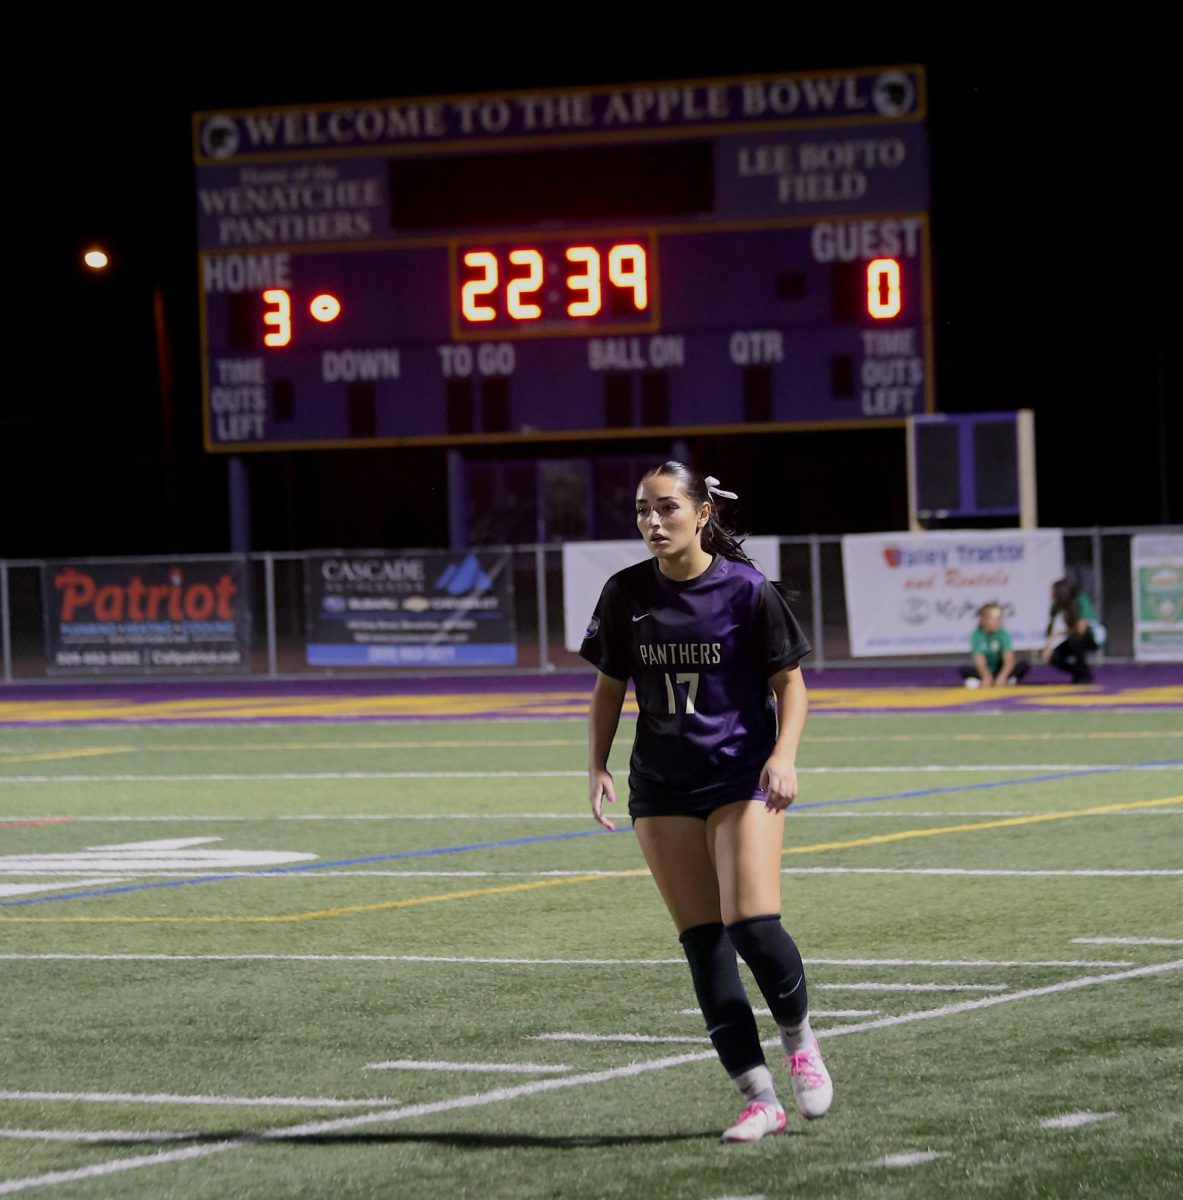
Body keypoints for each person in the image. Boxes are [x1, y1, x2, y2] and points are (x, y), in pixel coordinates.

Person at [580, 461, 832, 1144]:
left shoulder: (746, 591)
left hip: (738, 774)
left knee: (750, 924)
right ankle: (757, 1098)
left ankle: (799, 1037)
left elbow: (792, 684)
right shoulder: (624, 592)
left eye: (665, 509)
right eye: (641, 511)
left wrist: (783, 756)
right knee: (702, 944)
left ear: (700, 514)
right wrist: (597, 764)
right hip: (660, 785)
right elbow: (609, 688)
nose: (652, 523)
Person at [1042, 577, 1104, 683]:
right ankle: (1079, 672)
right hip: (1074, 636)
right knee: (1054, 657)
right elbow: (1050, 626)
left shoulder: (1081, 600)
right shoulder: (1057, 604)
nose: (1052, 595)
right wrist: (1047, 648)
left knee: (1075, 642)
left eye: (1054, 592)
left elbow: (1081, 630)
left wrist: (1059, 634)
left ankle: (1084, 676)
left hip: (1093, 636)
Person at [959, 602, 1030, 688]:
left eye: (999, 619)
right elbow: (979, 659)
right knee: (965, 669)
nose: (998, 622)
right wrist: (986, 677)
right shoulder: (977, 635)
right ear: (983, 619)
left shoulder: (1003, 633)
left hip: (1000, 670)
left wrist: (1002, 677)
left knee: (1023, 665)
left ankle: (1005, 680)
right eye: (993, 619)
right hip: (986, 670)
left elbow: (1009, 660)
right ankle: (1005, 681)